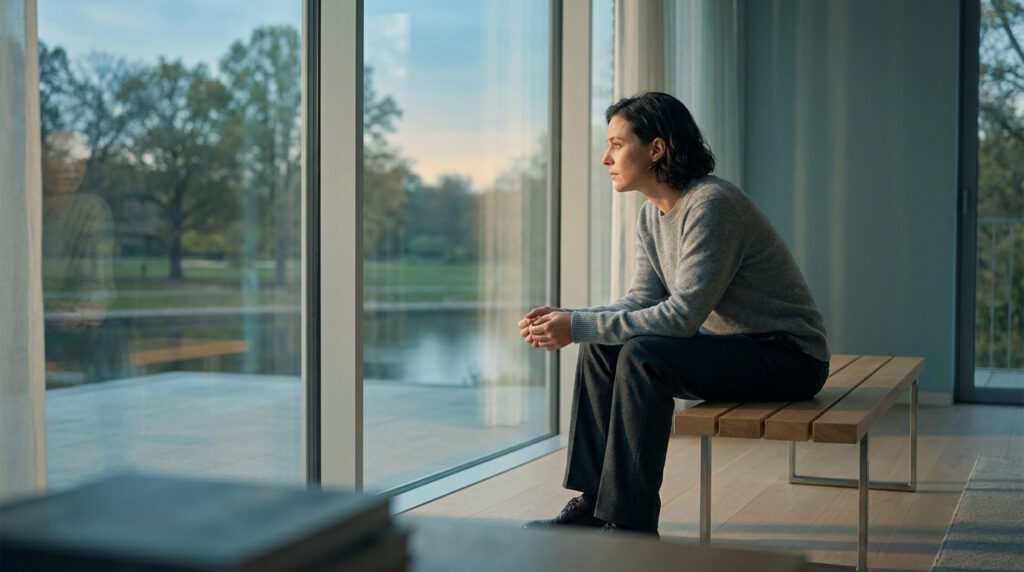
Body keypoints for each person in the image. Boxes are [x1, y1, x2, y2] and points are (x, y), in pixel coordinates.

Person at [518, 92, 830, 536]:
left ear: (656, 149)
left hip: (790, 357)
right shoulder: (652, 215)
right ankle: (594, 503)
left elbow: (682, 316)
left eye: (617, 145)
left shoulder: (711, 204)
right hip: (733, 349)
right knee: (602, 348)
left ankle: (630, 527)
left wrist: (578, 325)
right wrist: (571, 318)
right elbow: (641, 301)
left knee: (643, 356)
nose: (606, 158)